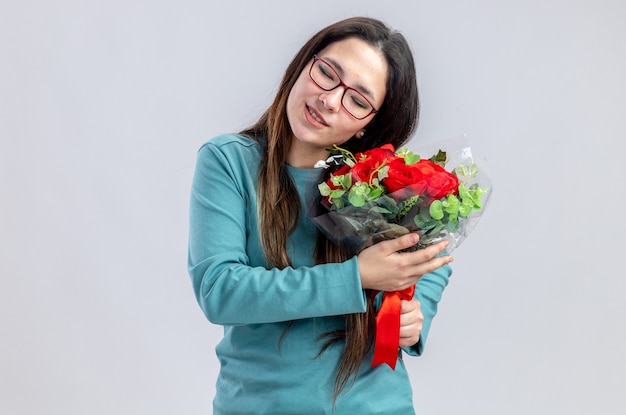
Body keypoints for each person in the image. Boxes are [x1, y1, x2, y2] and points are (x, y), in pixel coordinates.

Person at [188, 16, 453, 414]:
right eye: (328, 73)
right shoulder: (229, 162)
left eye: (358, 100)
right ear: (304, 64)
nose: (330, 100)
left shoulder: (380, 181)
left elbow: (431, 249)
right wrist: (357, 277)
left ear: (369, 124)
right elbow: (220, 290)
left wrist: (414, 314)